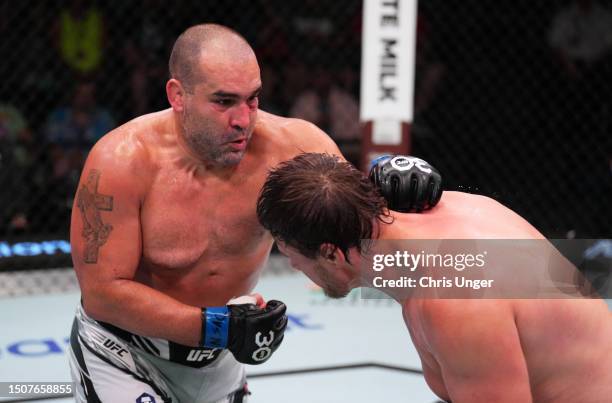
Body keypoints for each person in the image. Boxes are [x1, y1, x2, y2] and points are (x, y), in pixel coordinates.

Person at [68, 24, 442, 402]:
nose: (243, 119)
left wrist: (396, 191)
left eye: (252, 99)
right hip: (123, 354)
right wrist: (218, 328)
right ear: (178, 95)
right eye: (224, 101)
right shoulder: (121, 161)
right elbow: (103, 293)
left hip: (218, 360)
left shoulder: (292, 147)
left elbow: (353, 218)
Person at [256, 153, 612, 403]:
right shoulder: (449, 210)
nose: (294, 269)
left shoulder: (453, 298)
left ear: (331, 253)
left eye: (292, 256)